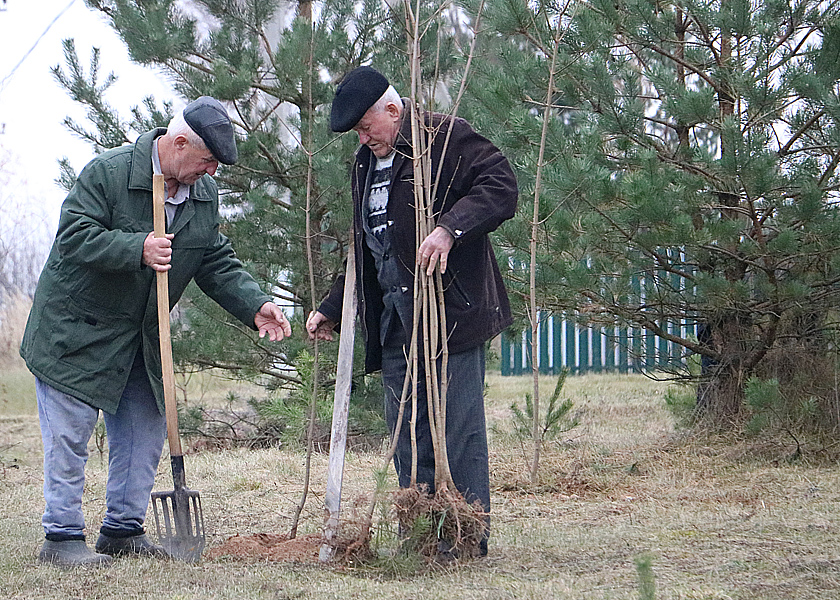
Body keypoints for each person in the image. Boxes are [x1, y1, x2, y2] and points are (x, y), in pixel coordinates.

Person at [20, 96, 292, 567]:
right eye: (206, 160)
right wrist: (136, 248)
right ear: (179, 142)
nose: (211, 173)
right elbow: (73, 236)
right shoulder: (108, 174)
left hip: (141, 337)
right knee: (70, 435)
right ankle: (61, 537)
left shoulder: (202, 198)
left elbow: (213, 259)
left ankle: (122, 530)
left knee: (144, 428)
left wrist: (256, 304)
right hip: (75, 332)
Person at [306, 66, 518, 556]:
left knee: (456, 429)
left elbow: (501, 185)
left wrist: (450, 228)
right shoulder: (365, 163)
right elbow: (367, 245)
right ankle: (421, 535)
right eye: (356, 131)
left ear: (394, 110)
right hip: (394, 320)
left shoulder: (444, 138)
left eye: (366, 126)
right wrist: (334, 306)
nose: (363, 138)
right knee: (406, 429)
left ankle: (464, 538)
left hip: (451, 315)